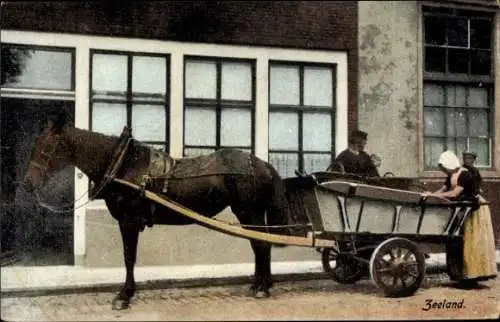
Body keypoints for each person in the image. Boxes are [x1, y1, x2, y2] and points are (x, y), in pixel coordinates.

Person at [422, 151, 497, 286]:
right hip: (462, 208)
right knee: (457, 240)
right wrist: (430, 194)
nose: (444, 171)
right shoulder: (451, 175)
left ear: (450, 165)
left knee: (471, 242)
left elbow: (454, 193)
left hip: (474, 209)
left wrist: (438, 196)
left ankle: (472, 276)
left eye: (445, 168)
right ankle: (459, 275)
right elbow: (444, 189)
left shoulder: (464, 174)